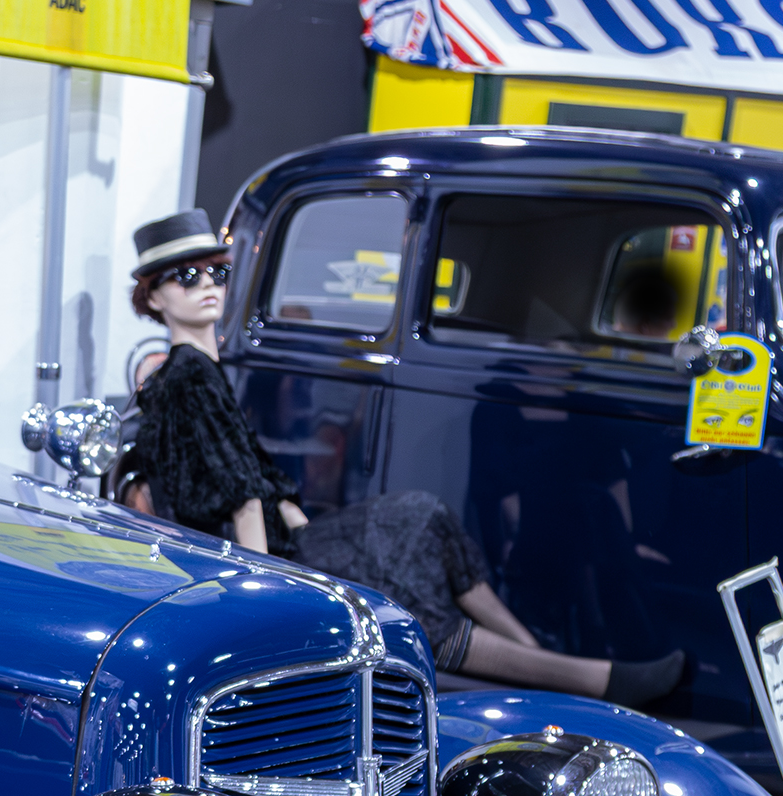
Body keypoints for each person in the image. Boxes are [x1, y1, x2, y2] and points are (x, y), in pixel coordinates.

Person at [120, 210, 688, 708]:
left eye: (217, 272)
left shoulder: (202, 370)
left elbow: (258, 480)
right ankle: (580, 678)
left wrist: (299, 524)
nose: (207, 286)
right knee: (405, 571)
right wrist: (275, 589)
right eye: (186, 277)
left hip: (283, 538)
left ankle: (535, 660)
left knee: (424, 517)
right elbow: (238, 493)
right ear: (153, 296)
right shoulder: (188, 375)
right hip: (262, 558)